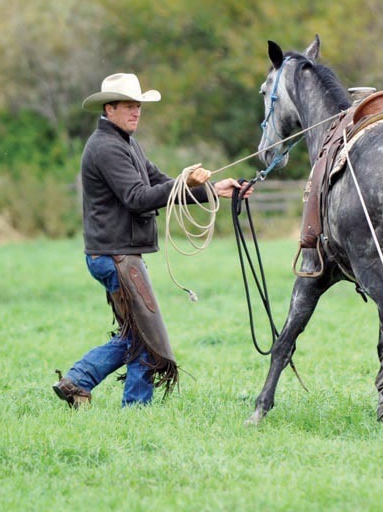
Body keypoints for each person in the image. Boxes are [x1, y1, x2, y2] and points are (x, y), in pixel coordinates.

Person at [53, 72, 250, 408]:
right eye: (129, 105)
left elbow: (160, 182)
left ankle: (79, 382)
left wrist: (212, 190)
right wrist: (185, 180)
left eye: (139, 106)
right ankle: (132, 406)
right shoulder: (107, 148)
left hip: (118, 255)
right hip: (115, 256)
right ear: (109, 108)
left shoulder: (126, 143)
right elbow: (138, 197)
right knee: (146, 335)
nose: (136, 111)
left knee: (138, 333)